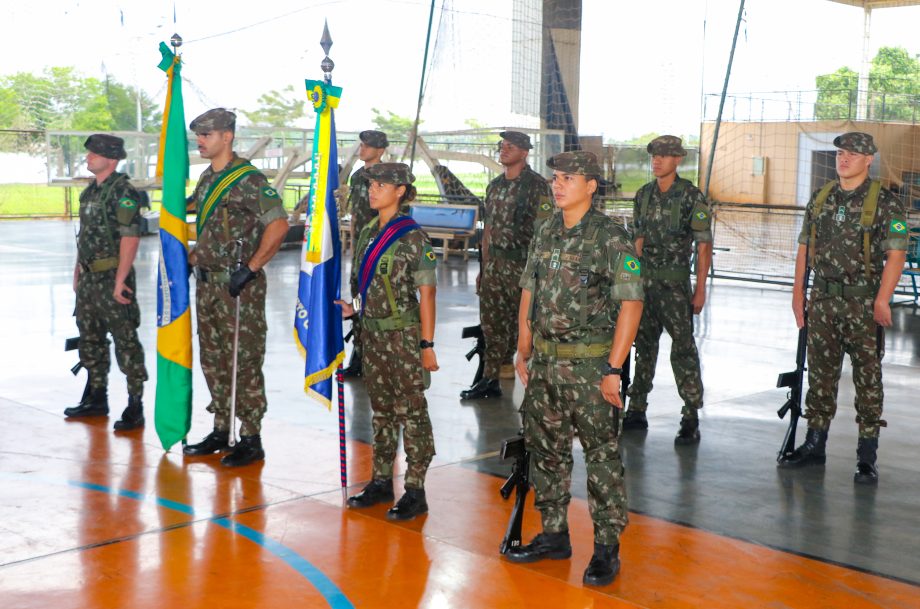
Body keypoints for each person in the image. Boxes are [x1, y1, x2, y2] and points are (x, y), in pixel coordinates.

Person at [505, 151, 643, 587]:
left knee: (601, 457)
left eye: (568, 178)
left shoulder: (610, 237)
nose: (557, 184)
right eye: (555, 177)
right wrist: (523, 344)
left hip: (590, 367)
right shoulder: (546, 230)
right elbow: (531, 287)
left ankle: (606, 548)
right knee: (546, 452)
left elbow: (631, 303)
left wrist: (614, 368)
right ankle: (554, 534)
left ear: (591, 186)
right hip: (545, 363)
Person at [778, 132, 907, 484]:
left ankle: (867, 455)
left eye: (853, 153)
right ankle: (814, 444)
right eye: (840, 152)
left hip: (863, 303)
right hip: (822, 301)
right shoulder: (821, 198)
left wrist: (882, 299)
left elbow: (897, 253)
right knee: (819, 377)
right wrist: (797, 294)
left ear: (869, 159)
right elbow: (805, 248)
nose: (843, 158)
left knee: (868, 379)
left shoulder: (885, 202)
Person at [181, 108, 289, 467]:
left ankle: (251, 436)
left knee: (243, 359)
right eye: (198, 135)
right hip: (207, 284)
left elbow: (278, 225)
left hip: (238, 286)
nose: (200, 141)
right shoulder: (205, 180)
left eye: (206, 135)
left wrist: (252, 267)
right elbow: (212, 229)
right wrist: (193, 257)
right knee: (213, 359)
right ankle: (221, 427)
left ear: (226, 137)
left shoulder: (250, 180)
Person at [337, 162, 439, 521]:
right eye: (371, 184)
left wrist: (427, 345)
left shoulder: (412, 237)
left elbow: (427, 294)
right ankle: (381, 480)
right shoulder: (367, 230)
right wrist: (354, 309)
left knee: (411, 412)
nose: (372, 189)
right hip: (373, 334)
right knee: (380, 411)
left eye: (381, 185)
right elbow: (367, 284)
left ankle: (415, 488)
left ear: (401, 191)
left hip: (404, 337)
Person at [621, 135, 712, 444]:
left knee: (683, 348)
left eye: (664, 155)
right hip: (645, 284)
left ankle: (690, 414)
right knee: (643, 346)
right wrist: (630, 281)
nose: (657, 160)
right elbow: (637, 243)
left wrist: (700, 289)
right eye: (654, 155)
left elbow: (703, 246)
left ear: (678, 160)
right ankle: (636, 407)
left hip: (675, 285)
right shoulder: (644, 195)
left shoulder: (691, 196)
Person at [64, 134, 148, 431]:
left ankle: (135, 405)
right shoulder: (90, 193)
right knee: (90, 339)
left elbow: (130, 236)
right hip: (89, 279)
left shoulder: (122, 192)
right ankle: (96, 397)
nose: (88, 158)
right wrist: (78, 270)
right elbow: (84, 236)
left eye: (94, 154)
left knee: (125, 341)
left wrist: (121, 279)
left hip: (113, 277)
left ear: (111, 159)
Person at [460, 130, 553, 400]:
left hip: (522, 267)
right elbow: (487, 229)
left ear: (524, 152)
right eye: (502, 145)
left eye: (510, 146)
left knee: (527, 325)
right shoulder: (495, 186)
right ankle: (489, 380)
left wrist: (539, 274)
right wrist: (483, 267)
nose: (504, 149)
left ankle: (536, 386)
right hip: (495, 267)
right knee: (491, 325)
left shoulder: (537, 186)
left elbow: (545, 232)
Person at [341, 130, 389, 379]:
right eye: (361, 144)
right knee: (357, 296)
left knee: (375, 298)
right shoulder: (358, 177)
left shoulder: (388, 176)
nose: (362, 149)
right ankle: (358, 355)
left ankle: (375, 355)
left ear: (379, 151)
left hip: (378, 247)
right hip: (360, 248)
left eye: (367, 146)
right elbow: (356, 214)